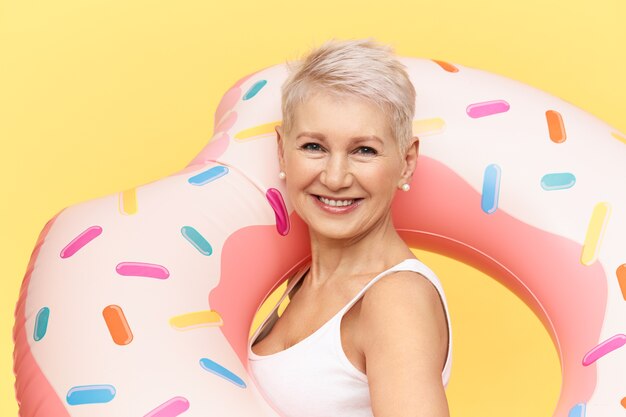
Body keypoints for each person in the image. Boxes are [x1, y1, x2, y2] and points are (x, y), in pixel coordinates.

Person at [248, 38, 452, 417]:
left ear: (407, 162)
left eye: (364, 150)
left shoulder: (395, 299)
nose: (336, 177)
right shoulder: (299, 281)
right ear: (282, 150)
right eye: (314, 147)